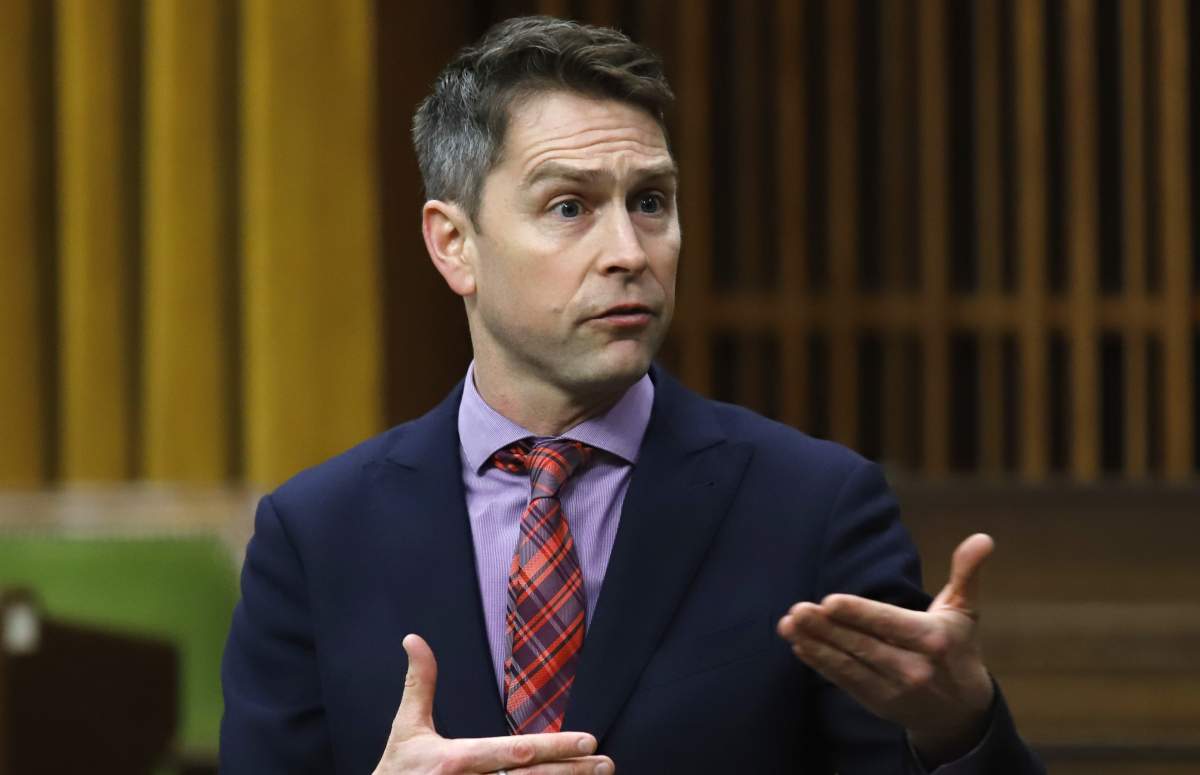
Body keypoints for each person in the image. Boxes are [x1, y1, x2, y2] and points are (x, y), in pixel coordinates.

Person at [220, 16, 1045, 775]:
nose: (630, 250)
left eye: (650, 201)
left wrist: (958, 727)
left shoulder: (816, 509)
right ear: (454, 244)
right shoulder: (316, 534)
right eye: (570, 206)